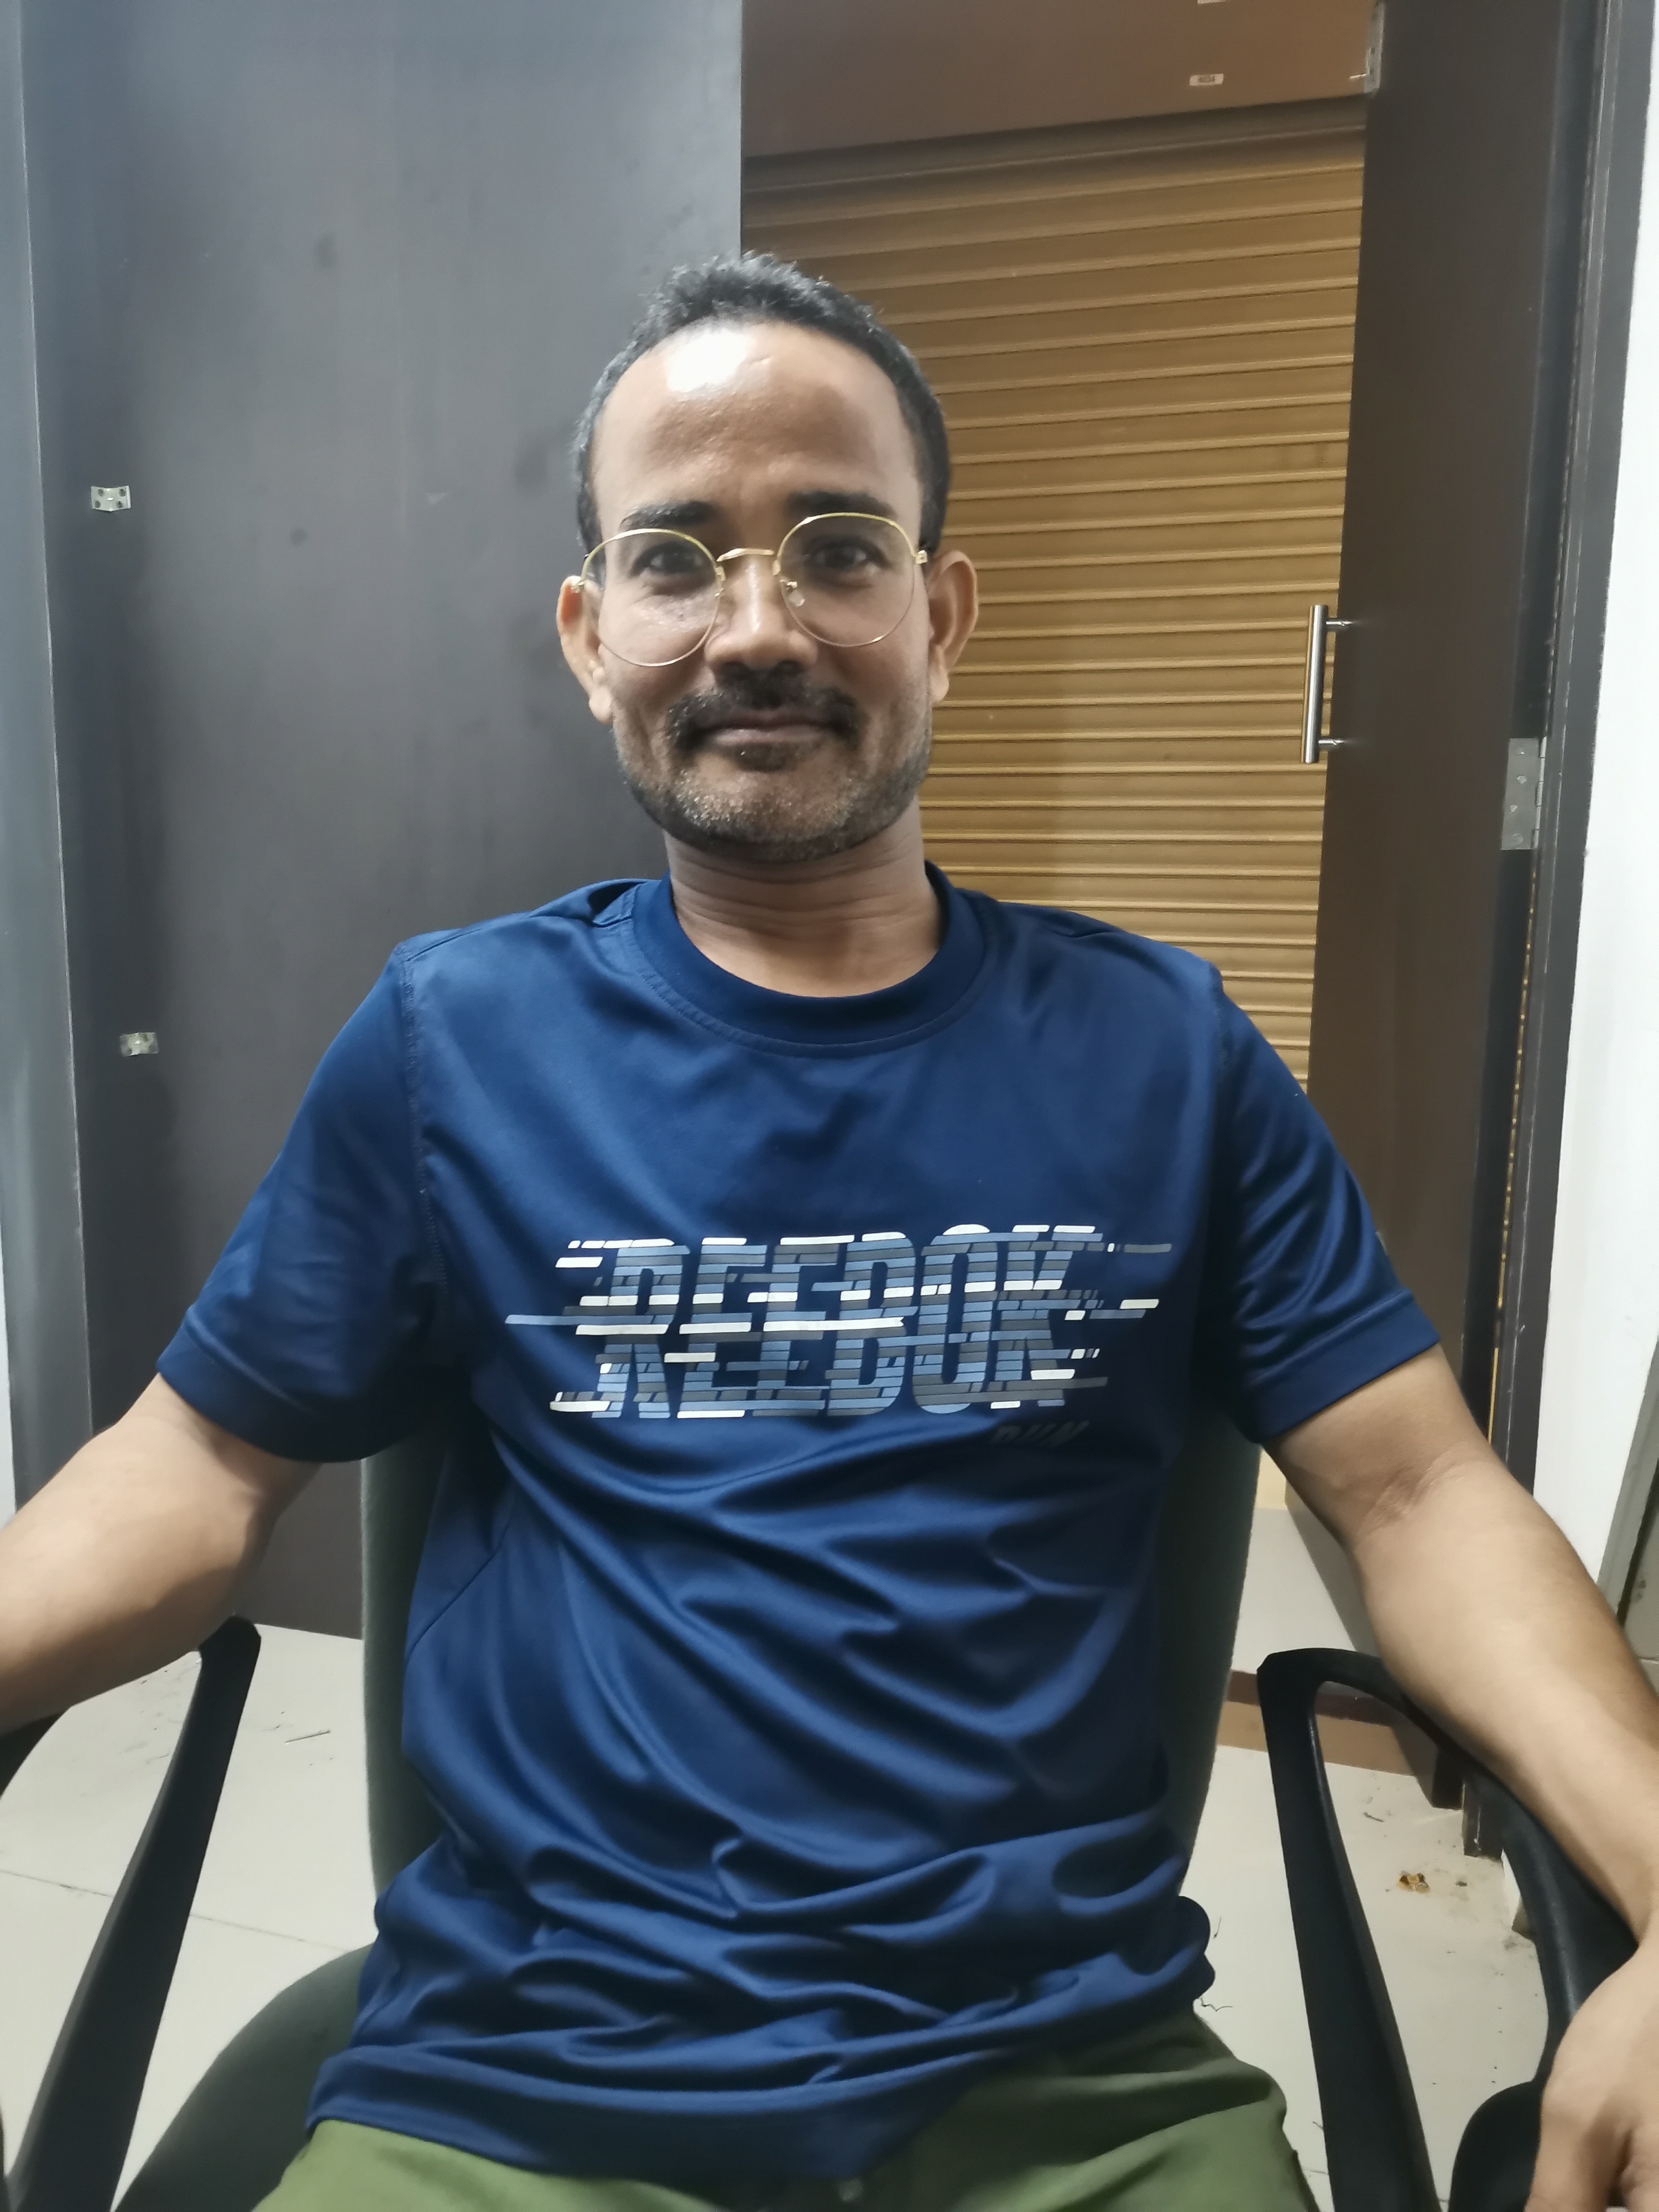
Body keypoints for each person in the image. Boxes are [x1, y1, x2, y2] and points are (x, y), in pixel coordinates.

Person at [1, 254, 1655, 2212]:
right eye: (675, 559)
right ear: (592, 634)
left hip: (1075, 2081)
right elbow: (195, 1470)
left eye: (840, 549)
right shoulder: (457, 1043)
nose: (757, 627)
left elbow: (1421, 1498)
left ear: (940, 616)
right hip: (534, 2075)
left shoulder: (1166, 1053)